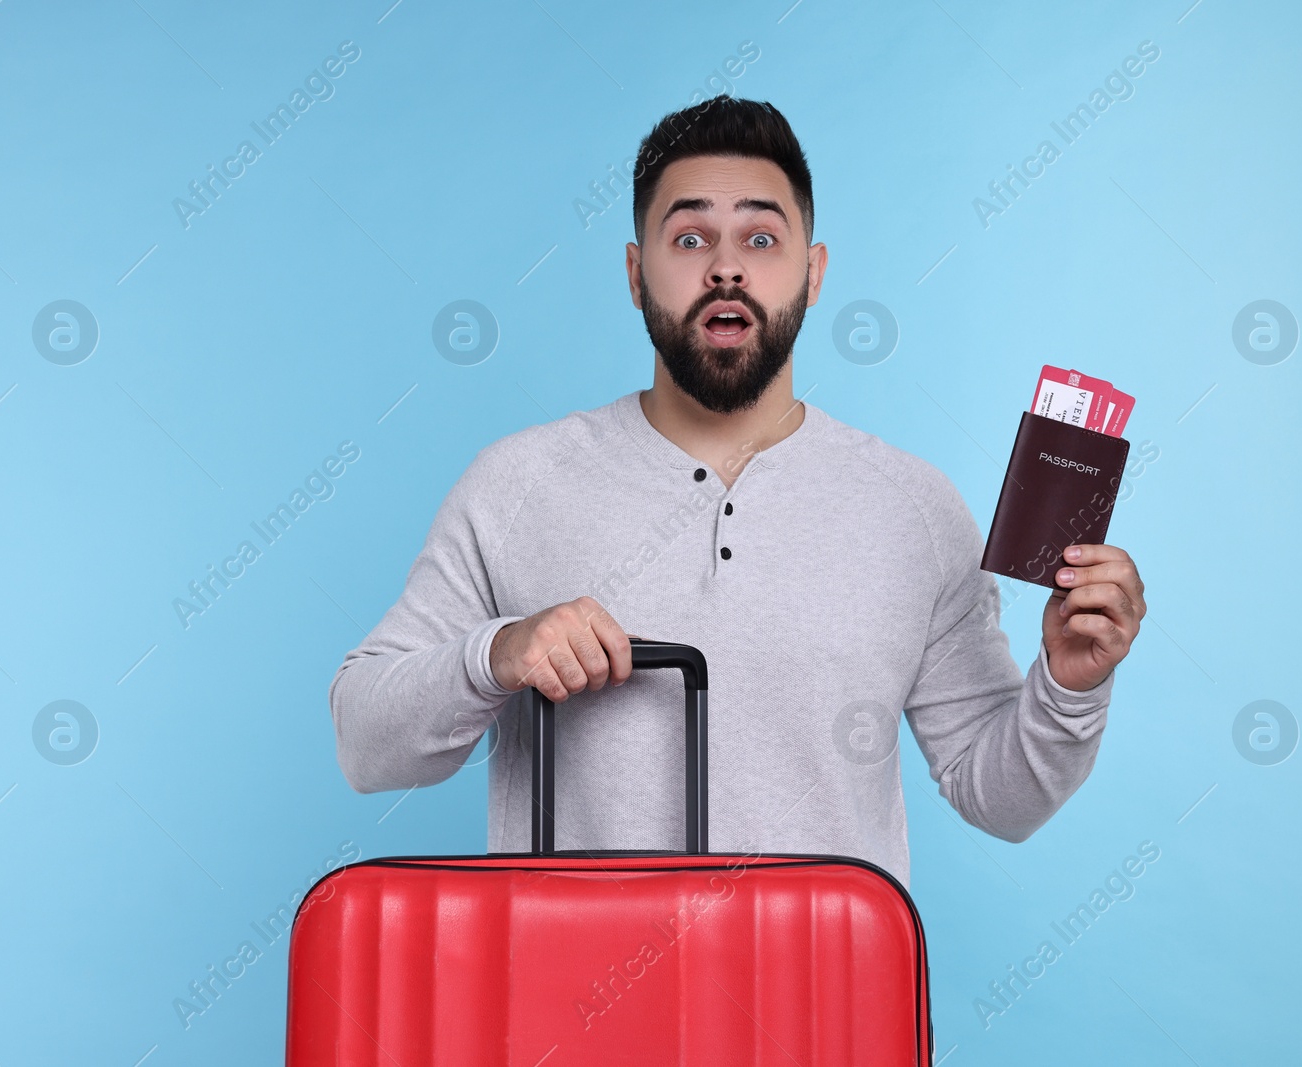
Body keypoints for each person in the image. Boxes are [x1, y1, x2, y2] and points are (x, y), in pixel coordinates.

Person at [326, 95, 1146, 889]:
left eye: (761, 236)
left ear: (814, 272)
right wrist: (496, 653)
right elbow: (365, 741)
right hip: (583, 1014)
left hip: (826, 1011)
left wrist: (1070, 686)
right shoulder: (514, 484)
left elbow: (999, 797)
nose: (725, 267)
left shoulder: (916, 510)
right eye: (688, 238)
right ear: (635, 273)